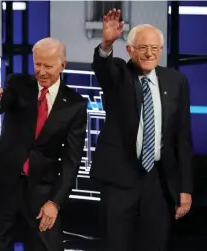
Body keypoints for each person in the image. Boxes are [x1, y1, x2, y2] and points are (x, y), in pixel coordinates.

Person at [90, 9, 193, 251]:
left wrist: (185, 188)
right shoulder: (118, 74)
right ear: (130, 50)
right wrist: (106, 43)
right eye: (143, 47)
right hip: (119, 180)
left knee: (154, 245)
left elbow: (183, 139)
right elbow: (102, 67)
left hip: (157, 181)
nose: (149, 53)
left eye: (155, 48)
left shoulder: (175, 81)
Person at [0, 37, 87, 251]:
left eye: (48, 66)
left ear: (62, 65)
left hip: (42, 193)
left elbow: (71, 160)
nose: (41, 71)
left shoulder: (75, 105)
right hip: (4, 187)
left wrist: (55, 203)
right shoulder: (17, 84)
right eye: (37, 64)